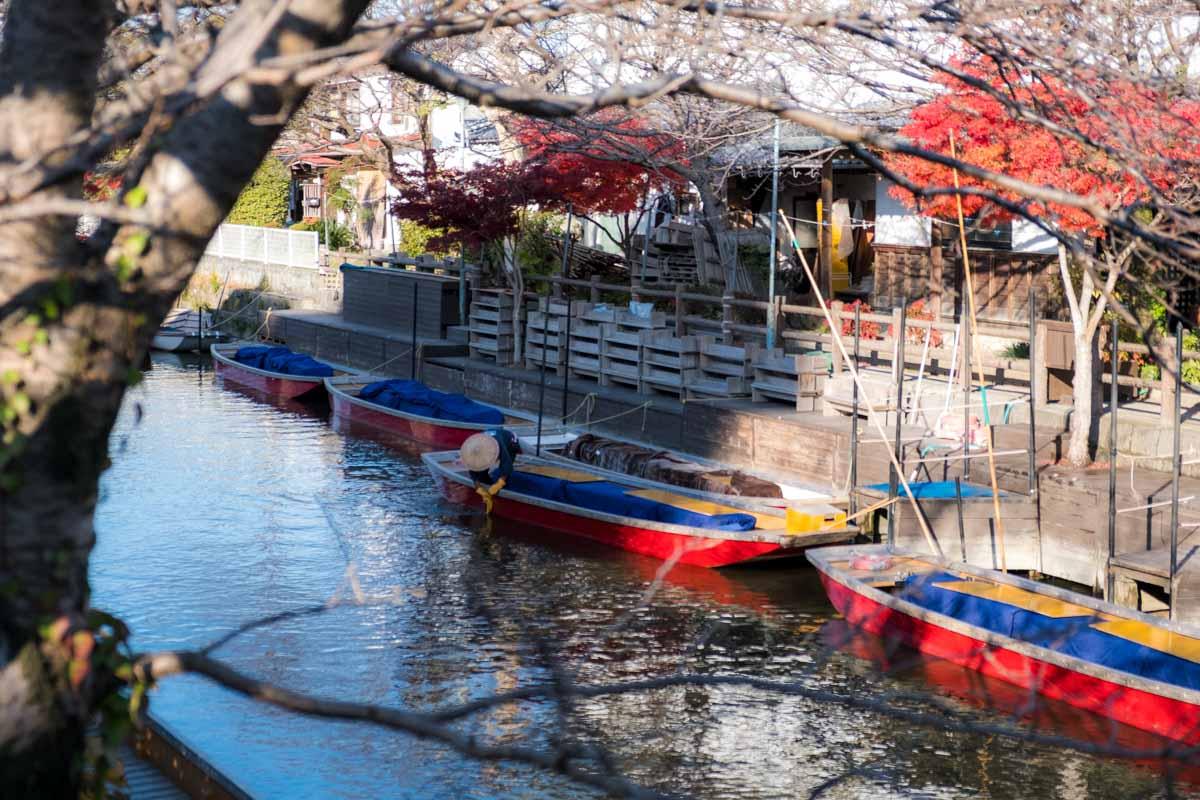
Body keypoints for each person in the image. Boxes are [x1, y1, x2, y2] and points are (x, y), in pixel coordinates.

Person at [460, 428, 522, 512]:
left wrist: (500, 483)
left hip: (510, 441)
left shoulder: (500, 445)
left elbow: (507, 464)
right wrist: (480, 489)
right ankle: (488, 483)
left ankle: (503, 484)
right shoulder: (475, 447)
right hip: (489, 439)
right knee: (481, 474)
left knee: (505, 471)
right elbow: (473, 470)